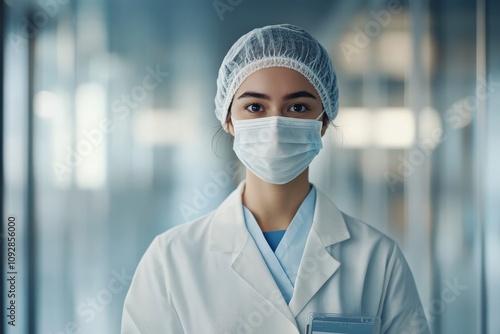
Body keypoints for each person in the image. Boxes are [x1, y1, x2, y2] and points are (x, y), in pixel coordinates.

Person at [121, 24, 430, 334]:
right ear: (229, 120)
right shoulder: (170, 259)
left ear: (322, 122)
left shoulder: (377, 258)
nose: (275, 126)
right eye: (255, 107)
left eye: (298, 107)